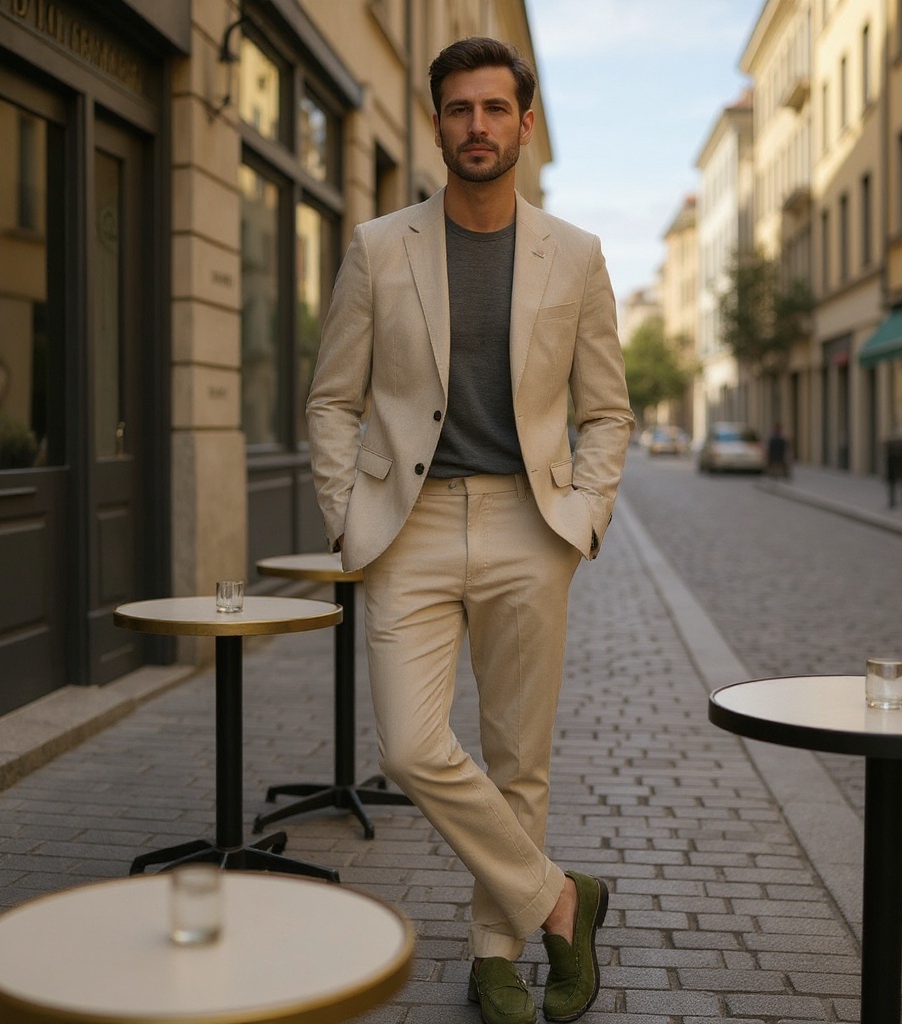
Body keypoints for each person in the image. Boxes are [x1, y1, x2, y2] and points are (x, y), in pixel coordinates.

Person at [306, 36, 633, 1024]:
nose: (477, 126)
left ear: (525, 125)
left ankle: (498, 949)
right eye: (459, 110)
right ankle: (561, 900)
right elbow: (331, 400)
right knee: (410, 747)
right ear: (437, 122)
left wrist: (584, 514)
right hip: (405, 528)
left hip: (526, 524)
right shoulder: (377, 247)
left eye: (495, 109)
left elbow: (608, 410)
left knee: (516, 757)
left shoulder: (573, 255)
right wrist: (347, 513)